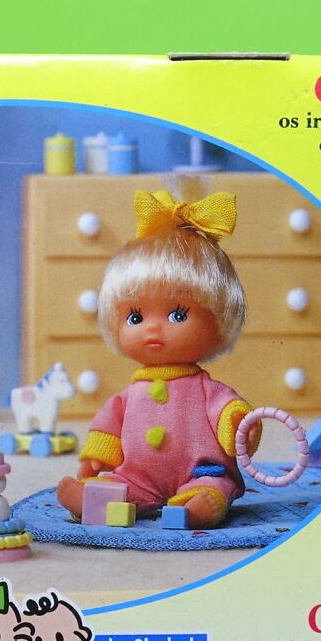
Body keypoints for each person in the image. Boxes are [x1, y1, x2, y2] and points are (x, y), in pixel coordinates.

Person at [57, 189, 260, 530]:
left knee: (211, 484)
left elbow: (227, 409)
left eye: (178, 314)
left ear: (219, 320)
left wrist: (239, 425)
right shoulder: (129, 396)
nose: (152, 328)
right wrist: (98, 455)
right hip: (139, 474)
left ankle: (203, 503)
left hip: (201, 469)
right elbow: (109, 423)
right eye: (135, 317)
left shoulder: (204, 389)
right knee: (121, 486)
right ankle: (96, 497)